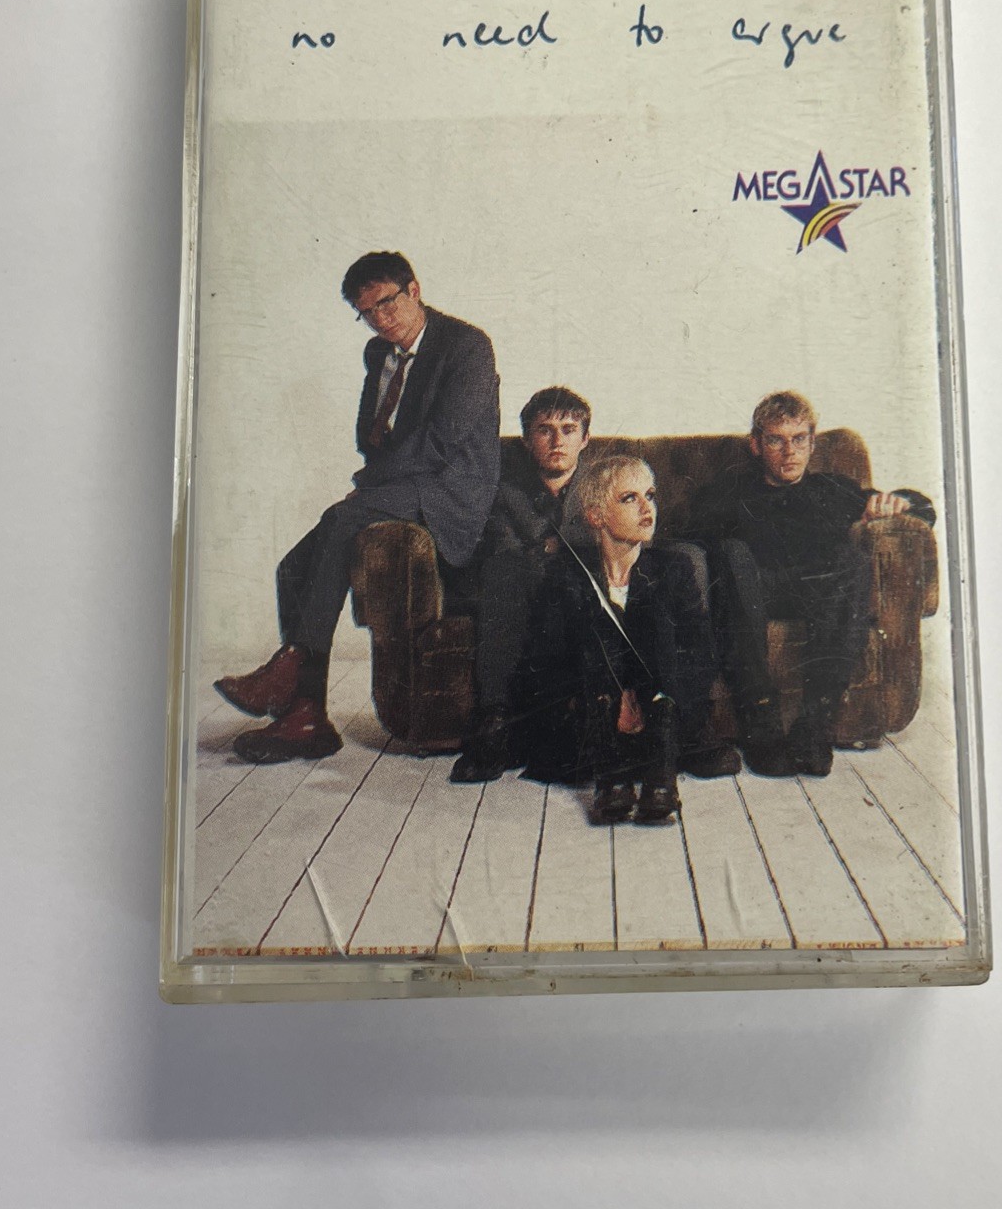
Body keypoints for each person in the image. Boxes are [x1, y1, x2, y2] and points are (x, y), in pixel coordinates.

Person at [214, 251, 500, 764]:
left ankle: (291, 669)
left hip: (450, 491)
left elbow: (443, 441)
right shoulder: (379, 353)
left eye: (387, 304)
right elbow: (372, 435)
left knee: (342, 516)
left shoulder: (466, 346)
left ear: (414, 290)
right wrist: (376, 475)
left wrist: (369, 485)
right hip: (400, 484)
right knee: (293, 566)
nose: (380, 320)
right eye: (366, 313)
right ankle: (306, 716)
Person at [690, 391, 936, 777]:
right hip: (750, 597)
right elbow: (686, 535)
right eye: (776, 440)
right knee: (731, 553)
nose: (789, 452)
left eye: (799, 439)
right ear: (756, 445)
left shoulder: (832, 489)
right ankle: (761, 726)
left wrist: (897, 501)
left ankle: (814, 727)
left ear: (812, 443)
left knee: (851, 561)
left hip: (817, 596)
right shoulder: (731, 491)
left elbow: (924, 509)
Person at [517, 454, 718, 825]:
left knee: (657, 620)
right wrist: (609, 697)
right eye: (630, 498)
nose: (647, 507)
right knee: (595, 627)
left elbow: (699, 654)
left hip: (662, 723)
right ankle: (612, 781)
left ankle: (661, 779)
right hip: (591, 730)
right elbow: (546, 662)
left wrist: (647, 696)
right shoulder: (568, 573)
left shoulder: (674, 568)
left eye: (650, 495)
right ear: (596, 516)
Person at [449, 385, 593, 784]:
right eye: (545, 430)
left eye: (568, 429)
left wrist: (550, 547)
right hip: (521, 587)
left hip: (578, 589)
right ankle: (494, 722)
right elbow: (503, 549)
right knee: (504, 570)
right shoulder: (504, 492)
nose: (557, 441)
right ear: (528, 440)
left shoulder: (601, 485)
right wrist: (559, 548)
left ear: (585, 439)